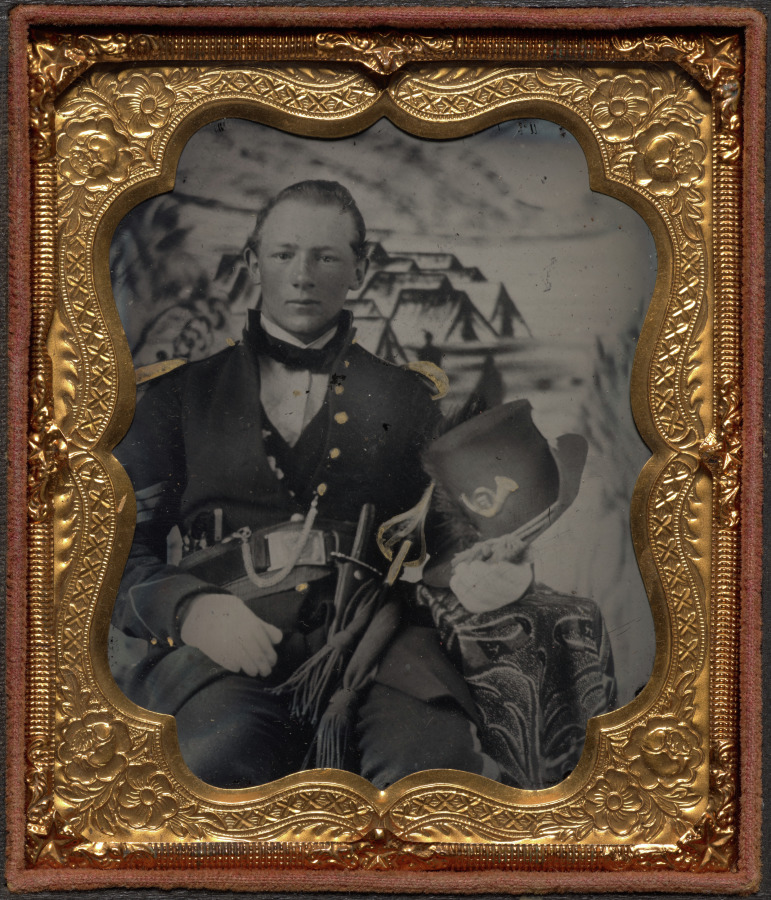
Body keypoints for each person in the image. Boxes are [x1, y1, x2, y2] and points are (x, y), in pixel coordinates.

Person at [110, 180, 495, 789]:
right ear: (252, 262)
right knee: (217, 764)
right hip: (225, 647)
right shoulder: (177, 396)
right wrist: (190, 609)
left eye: (326, 257)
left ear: (360, 270)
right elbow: (114, 553)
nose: (302, 276)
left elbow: (447, 536)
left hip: (377, 647)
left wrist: (483, 567)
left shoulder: (407, 398)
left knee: (429, 772)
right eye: (284, 254)